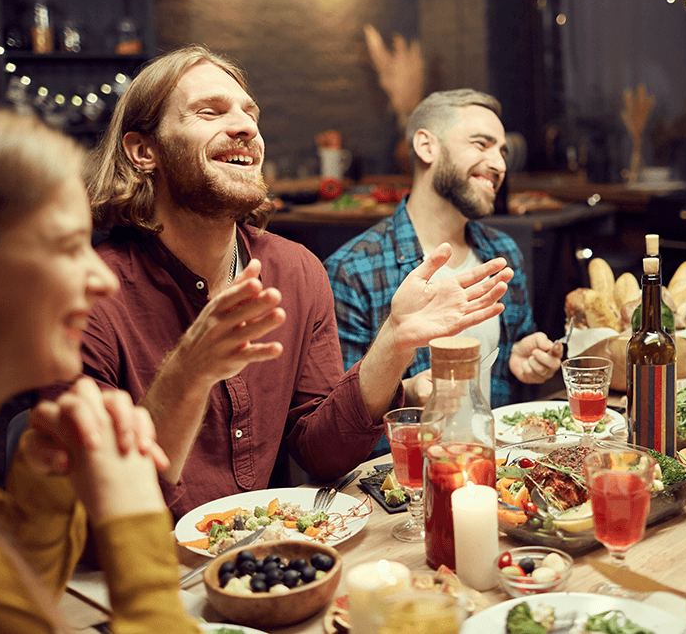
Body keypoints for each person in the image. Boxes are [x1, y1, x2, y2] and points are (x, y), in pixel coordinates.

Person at [71, 46, 513, 520]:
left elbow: (322, 455)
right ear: (143, 151)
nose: (246, 127)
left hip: (269, 561)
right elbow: (91, 505)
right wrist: (189, 372)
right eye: (210, 111)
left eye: (250, 113)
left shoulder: (296, 270)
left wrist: (395, 340)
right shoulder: (90, 294)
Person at [0, 103, 199, 632]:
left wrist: (45, 496)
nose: (105, 281)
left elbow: (13, 595)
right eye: (71, 248)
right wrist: (133, 518)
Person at [324, 89, 561, 415]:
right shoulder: (352, 270)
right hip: (403, 463)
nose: (499, 164)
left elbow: (513, 351)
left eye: (502, 152)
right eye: (481, 144)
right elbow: (333, 420)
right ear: (426, 146)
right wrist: (407, 392)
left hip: (496, 460)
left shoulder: (503, 252)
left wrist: (520, 356)